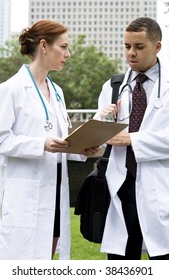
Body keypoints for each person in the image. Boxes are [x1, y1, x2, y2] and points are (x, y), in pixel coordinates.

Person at [0, 19, 99, 260]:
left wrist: (82, 148)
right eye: (63, 47)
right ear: (44, 45)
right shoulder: (11, 89)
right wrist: (41, 144)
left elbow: (60, 140)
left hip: (54, 194)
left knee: (48, 264)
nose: (68, 54)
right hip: (26, 195)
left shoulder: (57, 92)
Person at [94, 17, 169, 260]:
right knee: (122, 264)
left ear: (157, 46)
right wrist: (104, 120)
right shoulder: (114, 86)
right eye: (127, 46)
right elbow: (101, 136)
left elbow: (127, 138)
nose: (131, 53)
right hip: (121, 185)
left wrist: (132, 140)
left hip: (160, 186)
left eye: (139, 46)